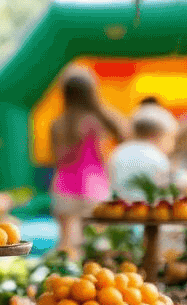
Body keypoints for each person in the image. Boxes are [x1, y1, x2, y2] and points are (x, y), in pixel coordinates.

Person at [49, 68, 128, 256]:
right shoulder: (98, 119)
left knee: (66, 241)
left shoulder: (59, 123)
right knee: (98, 241)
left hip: (64, 186)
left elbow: (57, 158)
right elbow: (124, 134)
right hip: (94, 186)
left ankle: (65, 275)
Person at [107, 100, 179, 201]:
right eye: (171, 138)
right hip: (146, 212)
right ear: (159, 135)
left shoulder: (117, 153)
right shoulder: (157, 158)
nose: (172, 146)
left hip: (115, 210)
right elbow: (165, 197)